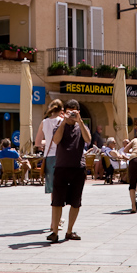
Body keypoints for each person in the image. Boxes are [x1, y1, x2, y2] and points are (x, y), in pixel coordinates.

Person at [48, 99, 91, 243]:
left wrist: (80, 121)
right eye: (69, 112)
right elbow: (56, 140)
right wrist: (64, 122)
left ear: (78, 112)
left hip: (78, 168)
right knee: (57, 202)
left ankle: (70, 231)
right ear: (64, 112)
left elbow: (88, 139)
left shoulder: (82, 127)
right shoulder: (60, 125)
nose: (71, 115)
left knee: (76, 202)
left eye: (74, 112)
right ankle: (54, 231)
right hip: (61, 167)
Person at [35, 99, 63, 197]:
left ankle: (54, 209)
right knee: (62, 187)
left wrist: (48, 141)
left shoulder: (44, 122)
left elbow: (37, 142)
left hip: (49, 158)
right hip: (61, 157)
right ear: (61, 110)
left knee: (53, 189)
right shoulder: (62, 121)